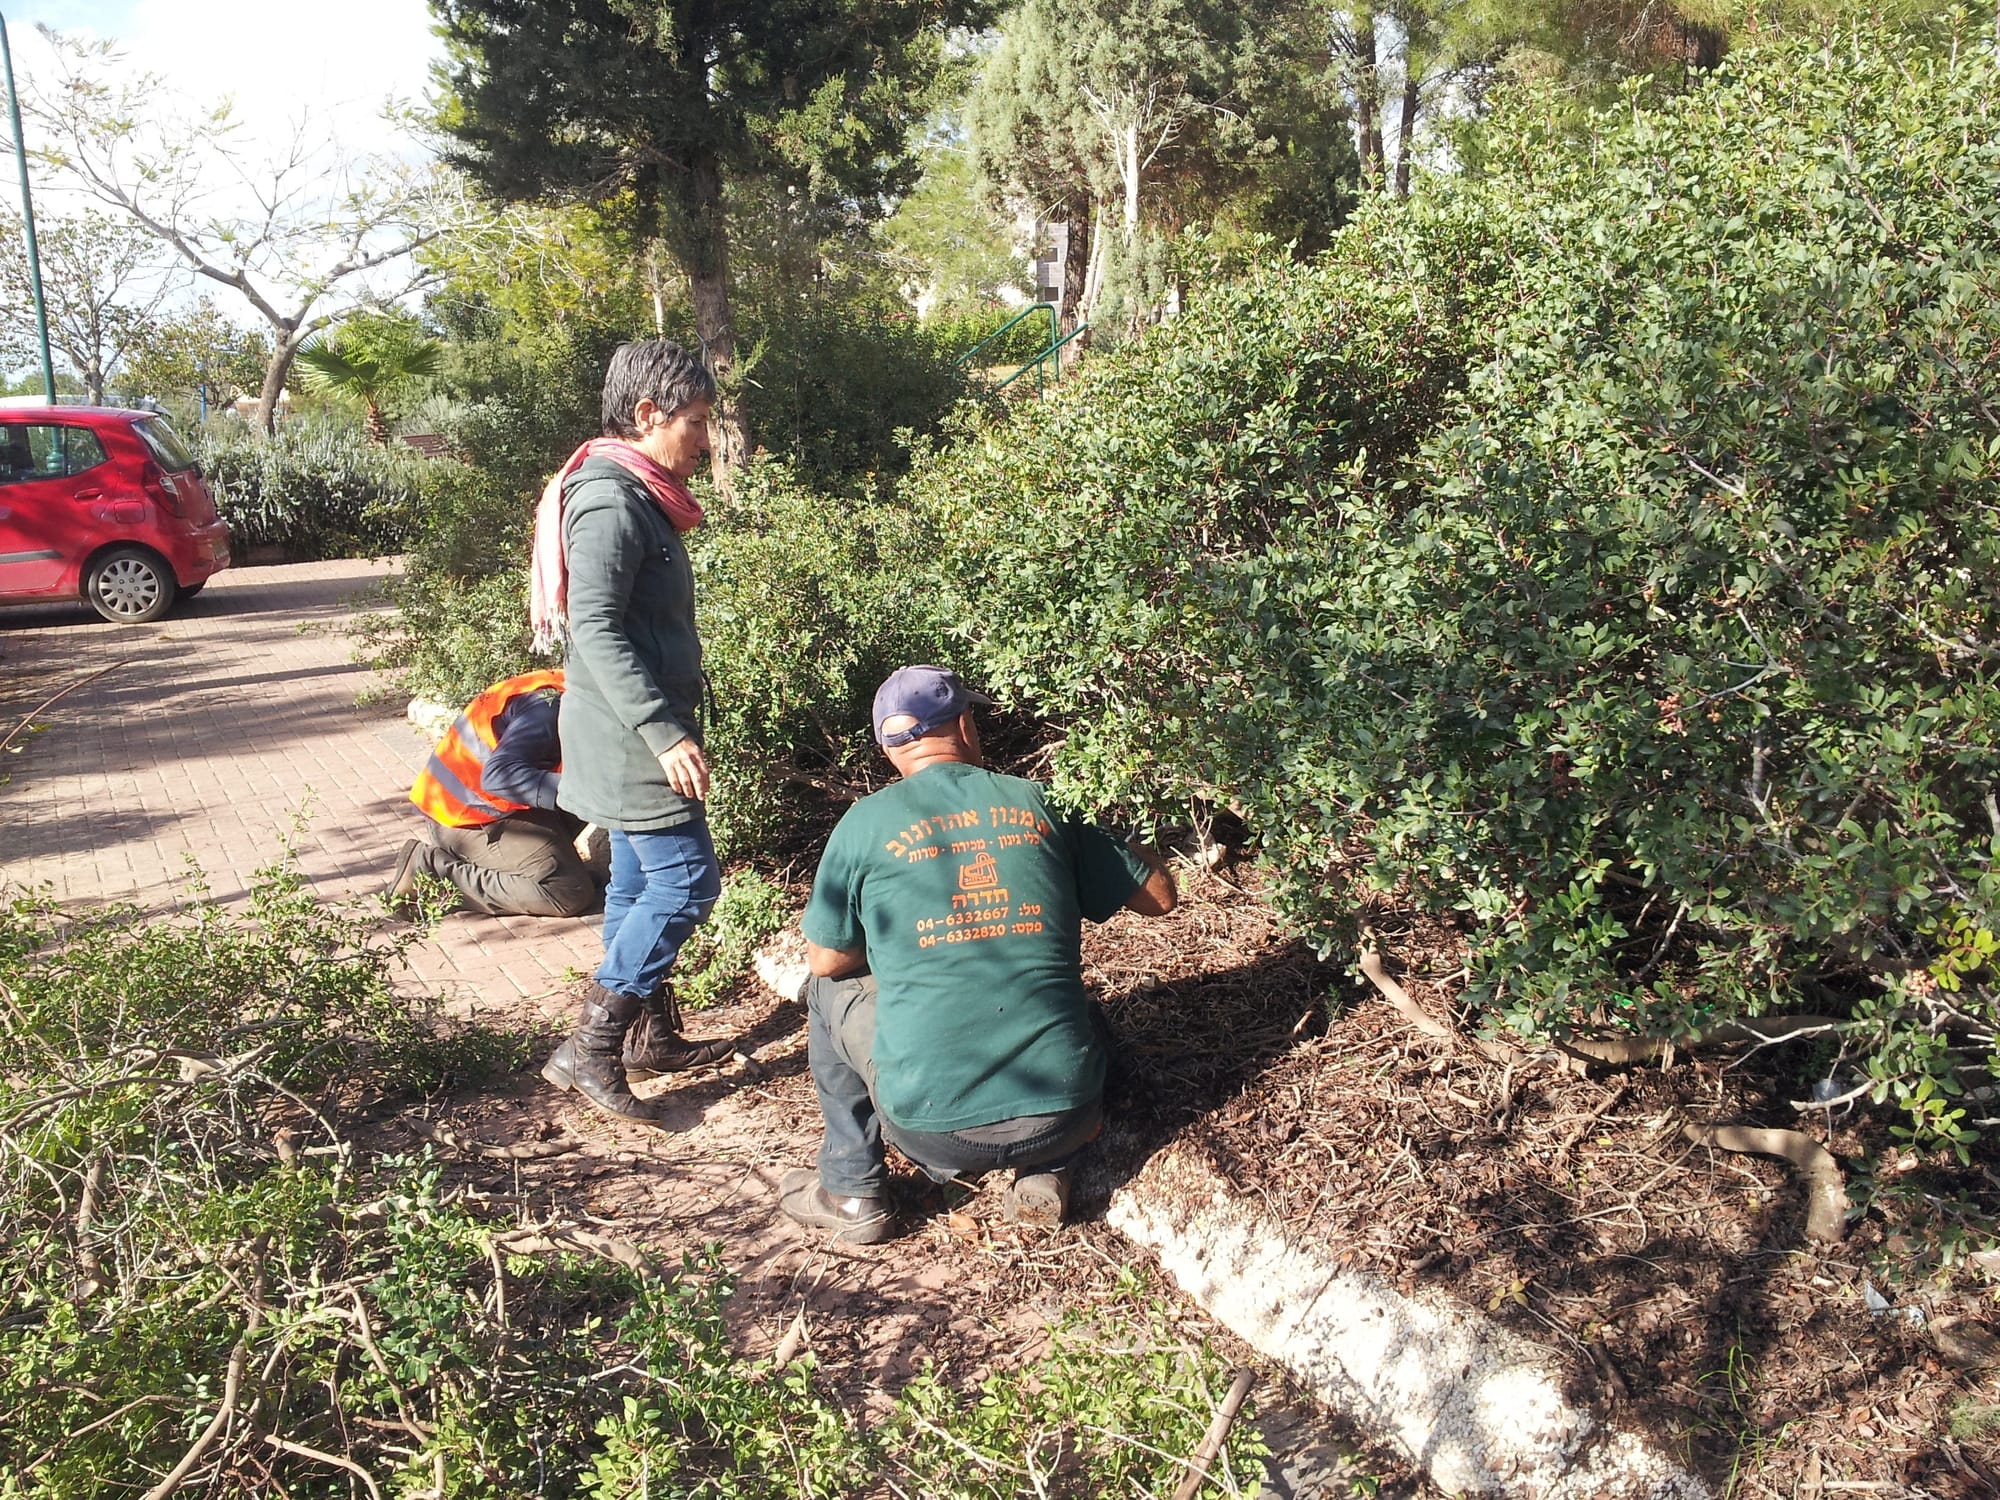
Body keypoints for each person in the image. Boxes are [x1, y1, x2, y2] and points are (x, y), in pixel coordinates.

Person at [778, 665, 1177, 1243]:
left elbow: (826, 961)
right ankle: (1048, 1167)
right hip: (1067, 1115)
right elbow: (1160, 897)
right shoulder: (1040, 802)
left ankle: (851, 1189)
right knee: (1062, 995)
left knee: (826, 993)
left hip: (929, 1127)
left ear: (889, 750)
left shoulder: (862, 825)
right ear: (965, 724)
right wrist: (1101, 814)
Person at [528, 340, 735, 1125]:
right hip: (629, 737)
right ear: (647, 416)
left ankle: (648, 1036)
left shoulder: (636, 489)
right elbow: (598, 630)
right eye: (695, 421)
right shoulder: (613, 499)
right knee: (686, 883)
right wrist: (663, 732)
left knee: (641, 883)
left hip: (628, 727)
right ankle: (590, 1048)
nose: (705, 439)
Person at [389, 670, 601, 919]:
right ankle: (431, 872)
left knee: (595, 786)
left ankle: (540, 866)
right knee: (567, 892)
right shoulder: (548, 709)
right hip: (466, 818)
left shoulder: (574, 689)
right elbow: (499, 776)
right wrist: (590, 793)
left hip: (483, 805)